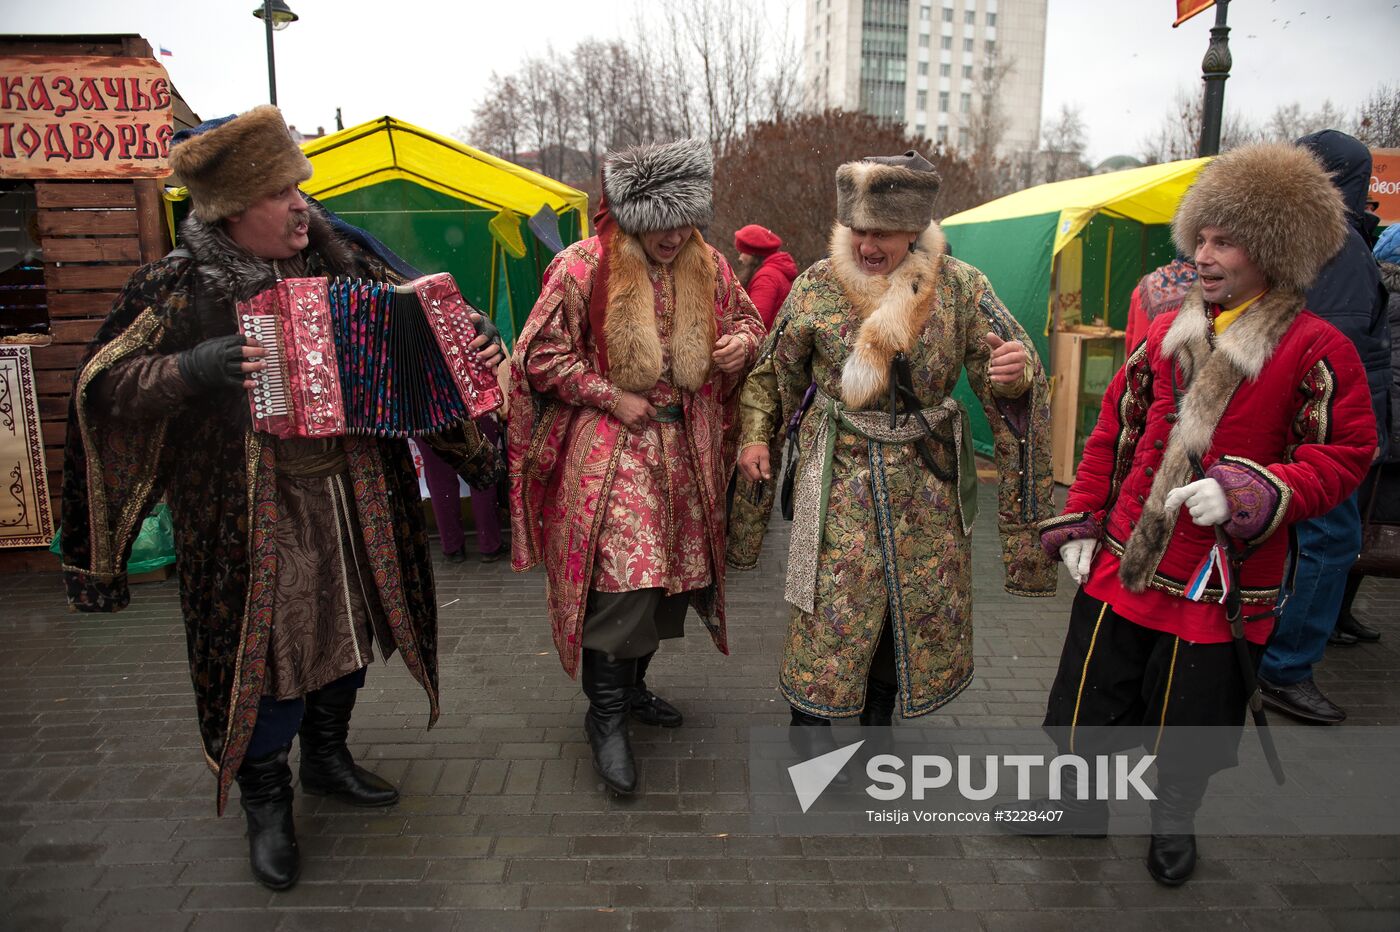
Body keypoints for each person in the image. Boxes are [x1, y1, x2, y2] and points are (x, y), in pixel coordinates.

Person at [58, 106, 505, 891]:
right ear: (231, 211)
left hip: (354, 499)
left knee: (354, 633)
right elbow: (103, 388)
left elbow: (431, 326)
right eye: (281, 194)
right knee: (262, 660)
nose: (303, 206)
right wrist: (192, 368)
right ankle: (267, 802)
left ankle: (328, 759)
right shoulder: (178, 287)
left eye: (301, 188)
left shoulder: (347, 264)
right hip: (249, 517)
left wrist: (472, 341)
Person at [1038, 142, 1375, 886]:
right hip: (1126, 560)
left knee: (1187, 722)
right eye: (1203, 238)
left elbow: (1346, 455)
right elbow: (1115, 433)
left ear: (1277, 250)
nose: (1205, 254)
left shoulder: (1318, 348)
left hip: (1218, 584)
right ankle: (1080, 808)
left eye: (1228, 240)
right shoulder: (1167, 333)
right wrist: (1083, 520)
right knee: (1088, 699)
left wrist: (1254, 489)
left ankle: (1171, 822)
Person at [734, 151, 1056, 755]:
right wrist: (756, 435)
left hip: (926, 483)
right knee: (829, 601)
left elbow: (1012, 370)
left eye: (881, 232)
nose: (867, 245)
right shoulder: (816, 285)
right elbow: (766, 374)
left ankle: (879, 712)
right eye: (857, 231)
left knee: (906, 601)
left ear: (915, 228)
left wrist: (1013, 376)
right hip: (839, 477)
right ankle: (810, 719)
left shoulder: (961, 288)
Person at [507, 138, 764, 795]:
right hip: (611, 451)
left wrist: (739, 345)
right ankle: (608, 717)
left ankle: (635, 689)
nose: (673, 236)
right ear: (628, 213)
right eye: (659, 222)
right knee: (624, 582)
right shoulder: (580, 266)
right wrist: (607, 394)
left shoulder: (709, 266)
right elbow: (537, 356)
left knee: (668, 584)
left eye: (684, 221)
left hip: (686, 453)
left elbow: (753, 324)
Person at [1254, 130, 1391, 723]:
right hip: (1327, 428)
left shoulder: (1317, 241)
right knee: (1329, 541)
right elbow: (1336, 352)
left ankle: (1289, 644)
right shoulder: (1335, 245)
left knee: (1316, 540)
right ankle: (1283, 668)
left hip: (1325, 422)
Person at [1333, 222, 1400, 642]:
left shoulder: (1369, 291)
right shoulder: (1386, 299)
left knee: (1361, 524)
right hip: (1381, 428)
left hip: (1376, 422)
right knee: (1362, 524)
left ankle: (1340, 613)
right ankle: (1334, 616)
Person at [418, 415, 506, 563]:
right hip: (469, 404)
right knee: (481, 468)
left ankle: (453, 547)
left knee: (439, 478)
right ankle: (490, 544)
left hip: (425, 413)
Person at [1124, 254, 1196, 351]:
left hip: (1139, 363)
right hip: (1168, 365)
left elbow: (1130, 336)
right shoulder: (1204, 294)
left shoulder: (1143, 288)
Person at [733, 223, 798, 330]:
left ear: (753, 253)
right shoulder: (773, 271)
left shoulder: (766, 277)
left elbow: (758, 320)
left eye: (742, 252)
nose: (740, 258)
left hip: (765, 343)